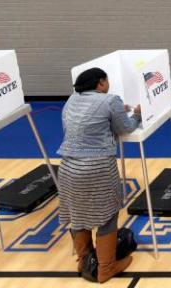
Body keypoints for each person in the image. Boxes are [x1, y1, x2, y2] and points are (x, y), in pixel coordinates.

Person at [58, 67, 141, 283]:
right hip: (98, 168)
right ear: (101, 83)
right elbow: (125, 128)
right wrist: (138, 115)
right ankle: (106, 268)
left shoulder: (71, 100)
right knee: (108, 216)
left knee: (77, 216)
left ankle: (84, 262)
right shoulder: (110, 100)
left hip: (67, 168)